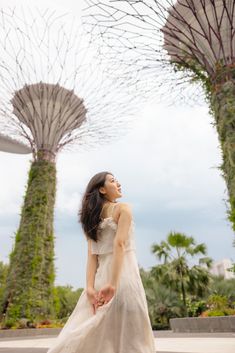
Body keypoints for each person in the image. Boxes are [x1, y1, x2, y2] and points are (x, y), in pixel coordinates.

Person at [47, 171, 156, 353]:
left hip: (99, 281)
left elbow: (92, 256)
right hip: (123, 276)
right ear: (103, 189)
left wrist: (89, 288)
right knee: (132, 334)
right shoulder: (123, 209)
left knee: (97, 334)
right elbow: (119, 244)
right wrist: (113, 284)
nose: (119, 184)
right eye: (113, 181)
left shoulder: (90, 218)